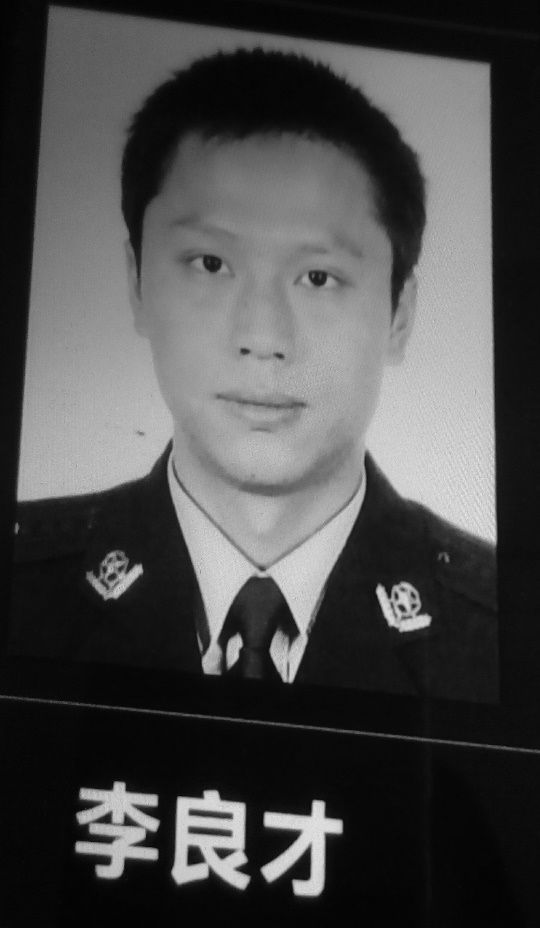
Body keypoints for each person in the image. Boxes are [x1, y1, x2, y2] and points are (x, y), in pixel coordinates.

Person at [8, 48, 497, 701]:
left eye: (318, 277)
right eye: (211, 264)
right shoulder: (23, 590)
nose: (263, 339)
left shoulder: (504, 632)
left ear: (399, 315)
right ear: (137, 282)